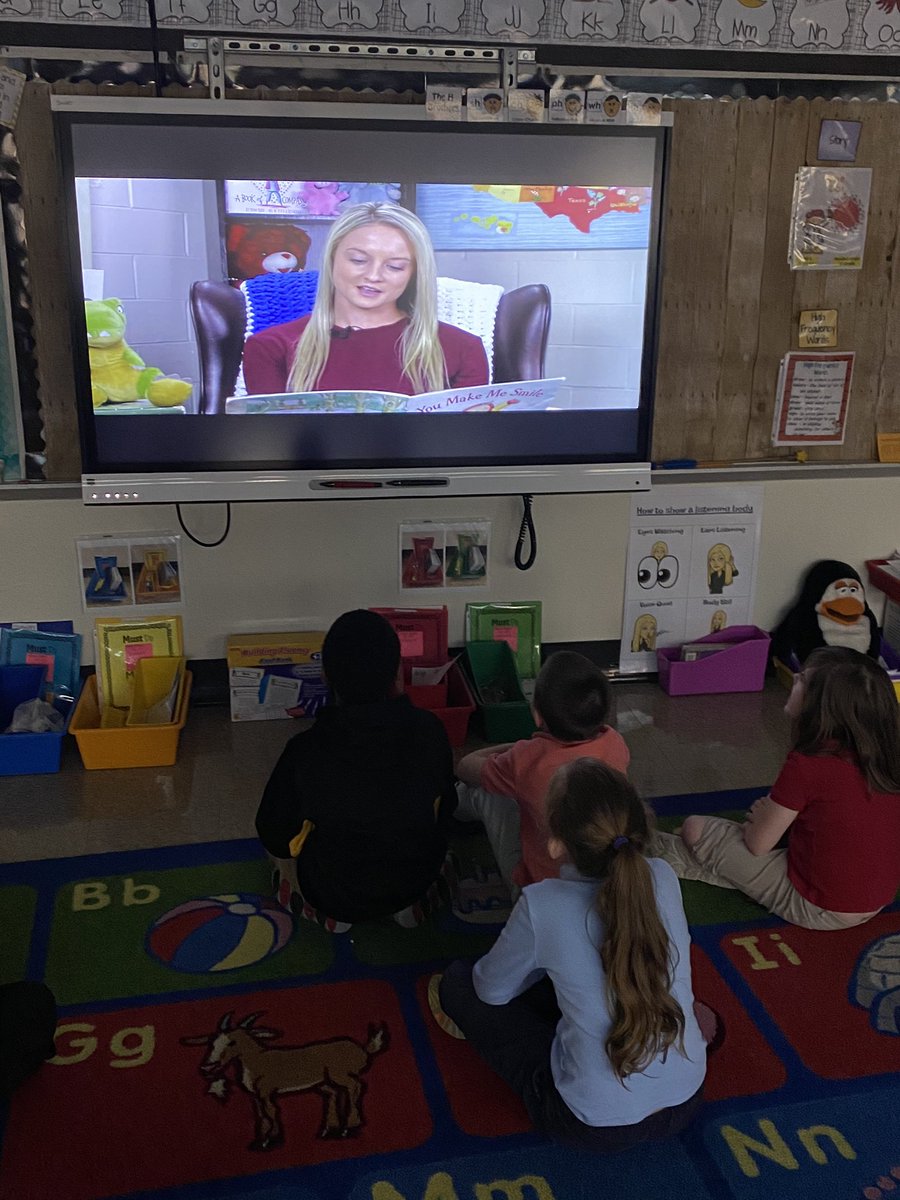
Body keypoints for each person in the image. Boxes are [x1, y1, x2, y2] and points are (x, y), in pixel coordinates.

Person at [433, 760, 706, 1151]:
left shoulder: (542, 903)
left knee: (459, 983)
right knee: (573, 984)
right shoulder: (662, 875)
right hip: (686, 1099)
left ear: (555, 844)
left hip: (591, 1125)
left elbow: (491, 991)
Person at [652, 647, 900, 930]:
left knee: (695, 828)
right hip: (878, 899)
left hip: (819, 906)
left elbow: (758, 844)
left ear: (822, 708)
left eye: (802, 679)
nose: (794, 679)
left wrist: (760, 818)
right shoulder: (887, 756)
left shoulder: (809, 764)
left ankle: (673, 858)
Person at [255, 609, 457, 932]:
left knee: (279, 853)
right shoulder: (430, 731)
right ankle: (412, 903)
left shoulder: (305, 751)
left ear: (325, 677)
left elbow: (274, 834)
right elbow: (447, 809)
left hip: (334, 893)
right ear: (398, 673)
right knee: (437, 841)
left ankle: (325, 911)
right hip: (414, 879)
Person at [242, 203, 489, 396]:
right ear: (332, 259)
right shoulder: (269, 348)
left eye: (394, 266)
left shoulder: (464, 350)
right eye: (358, 260)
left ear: (414, 273)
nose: (373, 275)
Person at [455, 651, 629, 892]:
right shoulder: (615, 743)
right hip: (609, 883)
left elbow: (465, 766)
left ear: (537, 714)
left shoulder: (527, 760)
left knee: (485, 791)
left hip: (540, 889)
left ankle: (448, 810)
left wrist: (520, 747)